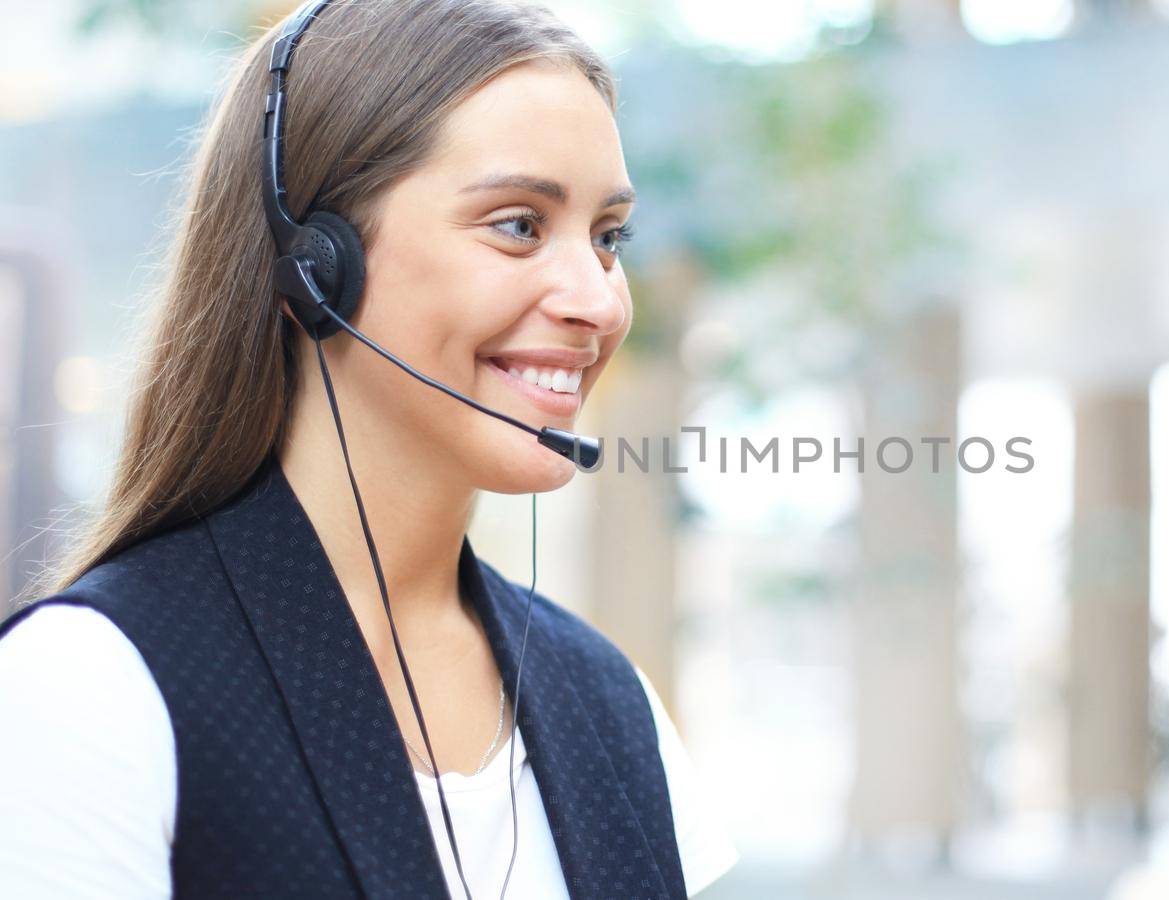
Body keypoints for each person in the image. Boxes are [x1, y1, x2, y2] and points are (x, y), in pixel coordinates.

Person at [0, 1, 738, 898]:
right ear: (313, 268)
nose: (599, 301)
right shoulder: (89, 695)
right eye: (518, 225)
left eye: (608, 237)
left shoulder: (612, 707)